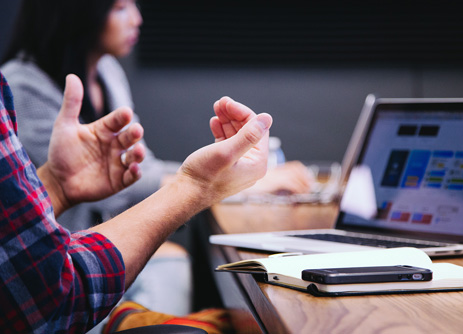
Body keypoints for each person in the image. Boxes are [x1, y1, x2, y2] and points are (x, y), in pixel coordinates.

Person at [0, 0, 312, 319]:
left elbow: (137, 169)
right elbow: (126, 189)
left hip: (86, 260)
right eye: (120, 8)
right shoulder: (21, 88)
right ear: (75, 12)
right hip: (57, 278)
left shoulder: (107, 71)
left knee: (175, 263)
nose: (137, 18)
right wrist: (223, 184)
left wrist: (220, 176)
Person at [0, 70, 272, 333]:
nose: (137, 20)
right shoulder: (22, 82)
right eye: (122, 16)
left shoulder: (108, 71)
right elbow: (50, 295)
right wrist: (196, 186)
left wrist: (56, 187)